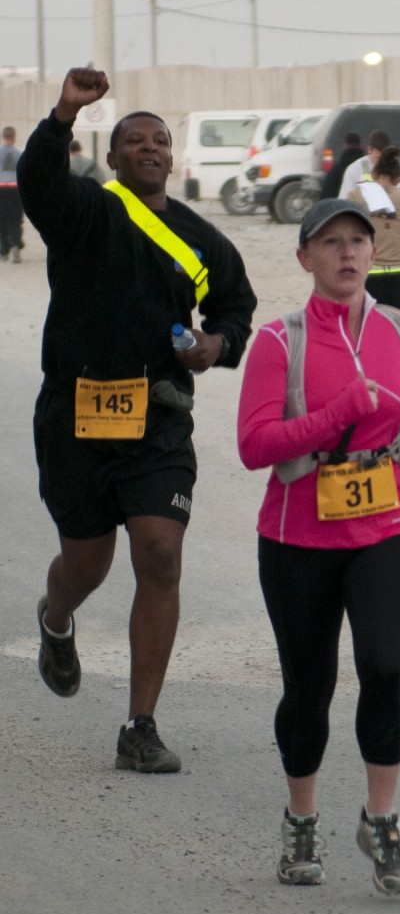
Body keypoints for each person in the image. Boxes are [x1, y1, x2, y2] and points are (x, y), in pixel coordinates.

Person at [17, 67, 257, 773]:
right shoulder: (86, 211)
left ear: (172, 159)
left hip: (156, 421)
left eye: (160, 140)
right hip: (76, 415)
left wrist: (217, 345)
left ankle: (139, 726)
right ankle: (55, 619)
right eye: (134, 140)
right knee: (86, 566)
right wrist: (64, 113)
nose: (150, 148)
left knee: (160, 553)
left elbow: (235, 310)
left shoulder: (200, 241)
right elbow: (38, 182)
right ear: (114, 157)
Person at [237, 197, 400, 894]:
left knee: (385, 667)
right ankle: (302, 818)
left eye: (359, 240)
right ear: (305, 257)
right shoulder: (279, 340)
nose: (348, 252)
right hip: (298, 533)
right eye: (331, 242)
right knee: (310, 686)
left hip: (389, 528)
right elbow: (254, 446)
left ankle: (381, 819)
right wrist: (335, 415)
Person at [347, 144, 400, 330]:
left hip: (368, 276)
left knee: (361, 331)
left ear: (374, 175)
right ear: (398, 178)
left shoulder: (357, 196)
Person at [339, 129, 400, 198]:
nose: (383, 162)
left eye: (387, 157)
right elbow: (344, 200)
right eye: (379, 157)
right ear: (369, 150)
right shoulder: (355, 169)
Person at [0, 125, 24, 263]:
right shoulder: (19, 153)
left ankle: (3, 251)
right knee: (15, 220)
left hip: (1, 189)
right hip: (15, 189)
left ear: (3, 137)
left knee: (1, 220)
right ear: (14, 137)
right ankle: (15, 245)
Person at [319, 131, 364, 199]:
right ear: (360, 145)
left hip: (341, 206)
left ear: (345, 146)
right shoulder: (367, 166)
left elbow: (326, 195)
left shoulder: (335, 170)